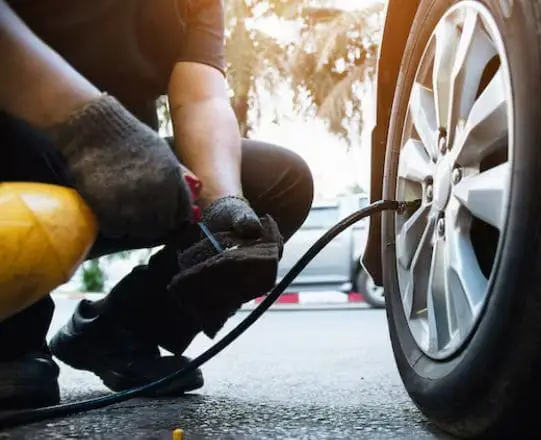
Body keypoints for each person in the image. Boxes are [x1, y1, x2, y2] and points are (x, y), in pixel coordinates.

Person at [0, 0, 314, 409]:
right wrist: (92, 129)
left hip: (124, 176)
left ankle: (119, 332)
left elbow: (201, 99)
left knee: (279, 183)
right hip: (17, 159)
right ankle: (12, 338)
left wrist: (223, 204)